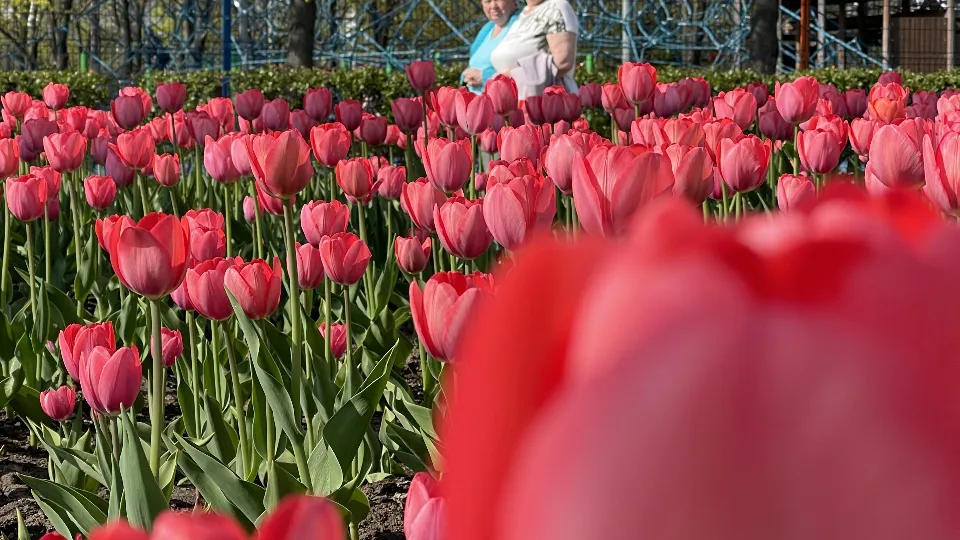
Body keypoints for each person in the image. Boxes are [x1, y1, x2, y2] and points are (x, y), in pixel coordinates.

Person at [489, 0, 579, 97]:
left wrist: (512, 77)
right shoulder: (524, 13)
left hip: (547, 104)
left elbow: (562, 63)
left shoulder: (555, 7)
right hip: (515, 102)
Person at [463, 0, 520, 94]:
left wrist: (485, 76)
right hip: (476, 100)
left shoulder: (521, 25)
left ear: (514, 2)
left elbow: (526, 67)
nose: (493, 6)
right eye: (487, 1)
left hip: (504, 100)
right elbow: (473, 62)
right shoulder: (488, 28)